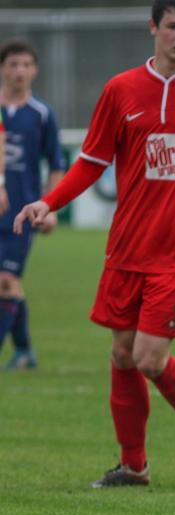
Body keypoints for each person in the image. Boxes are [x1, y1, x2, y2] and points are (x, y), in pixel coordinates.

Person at [14, 0, 175, 488]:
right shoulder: (121, 90)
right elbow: (90, 162)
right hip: (127, 246)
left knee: (148, 358)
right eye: (174, 26)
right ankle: (134, 466)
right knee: (122, 354)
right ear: (153, 28)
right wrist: (49, 202)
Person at [0, 39, 66, 370]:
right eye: (13, 64)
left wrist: (50, 207)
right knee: (10, 286)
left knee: (6, 281)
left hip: (20, 214)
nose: (19, 71)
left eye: (26, 65)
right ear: (2, 69)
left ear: (35, 70)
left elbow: (56, 163)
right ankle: (25, 351)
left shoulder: (41, 115)